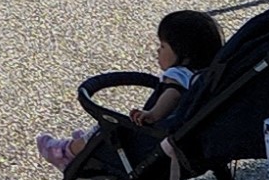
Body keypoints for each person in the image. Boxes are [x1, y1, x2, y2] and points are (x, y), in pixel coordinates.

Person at [36, 11, 224, 169]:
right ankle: (84, 143)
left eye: (163, 46)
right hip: (193, 145)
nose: (158, 51)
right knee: (103, 132)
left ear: (185, 55)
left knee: (106, 129)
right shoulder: (208, 76)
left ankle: (65, 152)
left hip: (156, 141)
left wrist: (153, 114)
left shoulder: (178, 73)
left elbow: (172, 95)